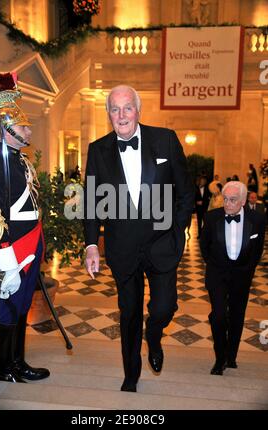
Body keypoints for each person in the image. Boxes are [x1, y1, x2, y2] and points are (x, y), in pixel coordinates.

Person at [84, 85, 194, 392]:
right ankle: (130, 374)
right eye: (115, 109)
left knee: (164, 308)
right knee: (129, 313)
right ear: (108, 114)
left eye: (127, 108)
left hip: (162, 244)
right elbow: (92, 202)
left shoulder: (165, 140)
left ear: (138, 110)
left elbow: (186, 192)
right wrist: (92, 244)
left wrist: (178, 231)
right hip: (122, 248)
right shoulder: (98, 149)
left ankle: (155, 335)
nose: (122, 115)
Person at [0, 57, 50, 383]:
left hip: (30, 243)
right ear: (5, 127)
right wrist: (7, 262)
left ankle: (19, 362)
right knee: (9, 311)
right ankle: (5, 368)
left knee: (21, 308)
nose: (29, 129)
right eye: (23, 124)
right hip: (14, 249)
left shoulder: (18, 160)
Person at [200, 181, 265, 375]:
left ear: (243, 201)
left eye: (233, 200)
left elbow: (258, 249)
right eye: (225, 199)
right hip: (217, 274)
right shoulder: (211, 218)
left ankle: (232, 356)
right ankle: (220, 358)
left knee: (237, 316)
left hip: (242, 276)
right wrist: (215, 266)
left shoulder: (258, 219)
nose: (227, 204)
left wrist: (247, 270)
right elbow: (204, 247)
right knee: (218, 316)